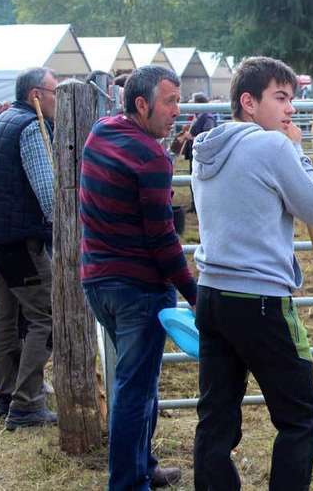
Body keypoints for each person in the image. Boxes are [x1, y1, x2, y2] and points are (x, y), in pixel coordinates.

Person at [191, 56, 313, 491]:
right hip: (260, 300)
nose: (291, 109)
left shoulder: (204, 149)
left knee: (216, 417)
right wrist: (297, 150)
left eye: (292, 99)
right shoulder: (272, 147)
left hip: (212, 294)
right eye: (281, 97)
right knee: (301, 416)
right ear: (248, 102)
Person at [80, 65, 197, 490]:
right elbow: (162, 239)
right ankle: (128, 483)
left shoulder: (101, 132)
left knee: (140, 379)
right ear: (142, 104)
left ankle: (143, 466)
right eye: (170, 102)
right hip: (139, 289)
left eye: (179, 101)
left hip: (98, 282)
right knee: (134, 389)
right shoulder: (151, 156)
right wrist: (193, 292)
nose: (177, 111)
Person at [0, 67, 58, 430]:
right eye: (54, 91)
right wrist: (67, 231)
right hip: (23, 241)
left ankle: (6, 394)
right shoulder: (31, 127)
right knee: (46, 316)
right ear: (35, 94)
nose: (56, 99)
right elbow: (48, 195)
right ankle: (27, 403)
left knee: (8, 316)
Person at [184, 92, 216, 212]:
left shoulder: (207, 117)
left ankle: (200, 206)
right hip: (196, 153)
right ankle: (195, 205)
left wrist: (191, 138)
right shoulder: (198, 116)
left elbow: (208, 138)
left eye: (193, 101)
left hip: (203, 155)